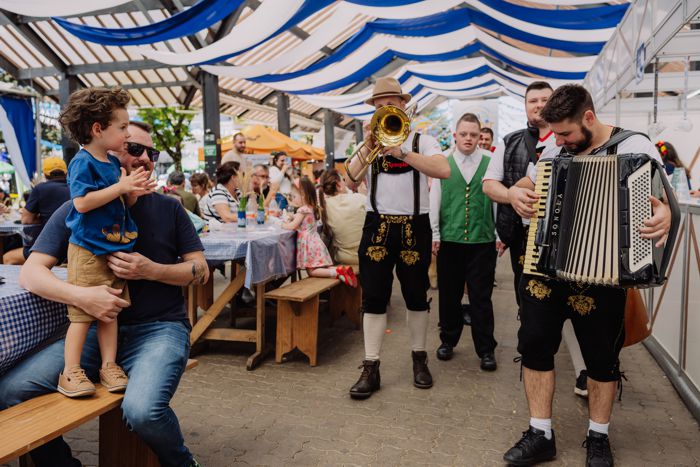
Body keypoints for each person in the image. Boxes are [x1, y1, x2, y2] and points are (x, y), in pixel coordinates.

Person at [0, 120, 207, 467]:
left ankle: (183, 463)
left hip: (159, 329)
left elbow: (200, 270)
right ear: (108, 154)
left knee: (142, 412)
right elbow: (31, 274)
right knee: (11, 391)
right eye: (135, 149)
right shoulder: (77, 209)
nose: (145, 159)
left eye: (152, 153)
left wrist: (151, 270)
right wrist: (81, 297)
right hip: (93, 332)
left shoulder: (169, 208)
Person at [503, 84, 673, 467]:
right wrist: (515, 193)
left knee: (601, 357)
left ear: (589, 118)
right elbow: (528, 183)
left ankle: (598, 437)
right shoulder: (554, 150)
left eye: (565, 133)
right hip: (546, 268)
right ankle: (540, 433)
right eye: (555, 134)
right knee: (534, 345)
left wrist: (664, 212)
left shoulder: (635, 147)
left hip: (604, 275)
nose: (557, 142)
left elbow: (662, 201)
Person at [345, 76, 450, 399]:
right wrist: (368, 144)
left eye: (390, 105)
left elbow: (443, 170)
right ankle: (371, 365)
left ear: (404, 106)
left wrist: (402, 152)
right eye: (379, 107)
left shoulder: (422, 141)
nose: (385, 110)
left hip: (413, 227)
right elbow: (350, 180)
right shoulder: (370, 145)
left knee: (416, 295)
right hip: (376, 225)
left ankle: (419, 358)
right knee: (373, 297)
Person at [482, 81, 588, 397]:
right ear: (525, 106)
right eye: (533, 101)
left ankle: (582, 369)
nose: (539, 105)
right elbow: (490, 184)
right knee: (531, 301)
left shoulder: (572, 138)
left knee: (573, 302)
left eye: (545, 99)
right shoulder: (510, 141)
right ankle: (537, 359)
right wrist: (512, 195)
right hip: (524, 235)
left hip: (570, 234)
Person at [58, 87, 152, 397]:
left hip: (112, 248)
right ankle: (70, 371)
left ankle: (109, 366)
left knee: (110, 311)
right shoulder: (82, 162)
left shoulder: (111, 162)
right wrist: (121, 187)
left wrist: (132, 192)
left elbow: (119, 203)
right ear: (98, 129)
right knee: (82, 316)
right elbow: (82, 203)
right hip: (88, 251)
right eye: (122, 127)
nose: (127, 134)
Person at [429, 113, 498, 370]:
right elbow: (435, 199)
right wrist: (435, 233)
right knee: (449, 296)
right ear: (455, 135)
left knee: (481, 298)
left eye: (473, 134)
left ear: (480, 137)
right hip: (450, 241)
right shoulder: (443, 163)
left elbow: (497, 201)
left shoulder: (490, 162)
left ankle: (486, 349)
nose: (468, 138)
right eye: (464, 134)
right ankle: (448, 340)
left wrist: (499, 235)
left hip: (482, 241)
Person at [281, 176, 357, 285]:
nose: (292, 199)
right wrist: (293, 217)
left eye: (294, 196)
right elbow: (301, 220)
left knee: (312, 272)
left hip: (308, 244)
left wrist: (282, 224)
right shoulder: (311, 207)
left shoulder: (302, 210)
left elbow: (292, 226)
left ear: (303, 195)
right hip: (315, 242)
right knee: (318, 268)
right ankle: (341, 271)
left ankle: (337, 271)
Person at [18, 157, 72, 262]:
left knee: (7, 257)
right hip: (73, 247)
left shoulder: (40, 188)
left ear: (45, 174)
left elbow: (26, 220)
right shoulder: (75, 187)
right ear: (66, 173)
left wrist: (41, 218)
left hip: (50, 248)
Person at [318, 168, 366, 265]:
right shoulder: (359, 198)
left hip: (343, 260)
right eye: (343, 180)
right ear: (338, 185)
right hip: (366, 256)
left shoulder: (323, 207)